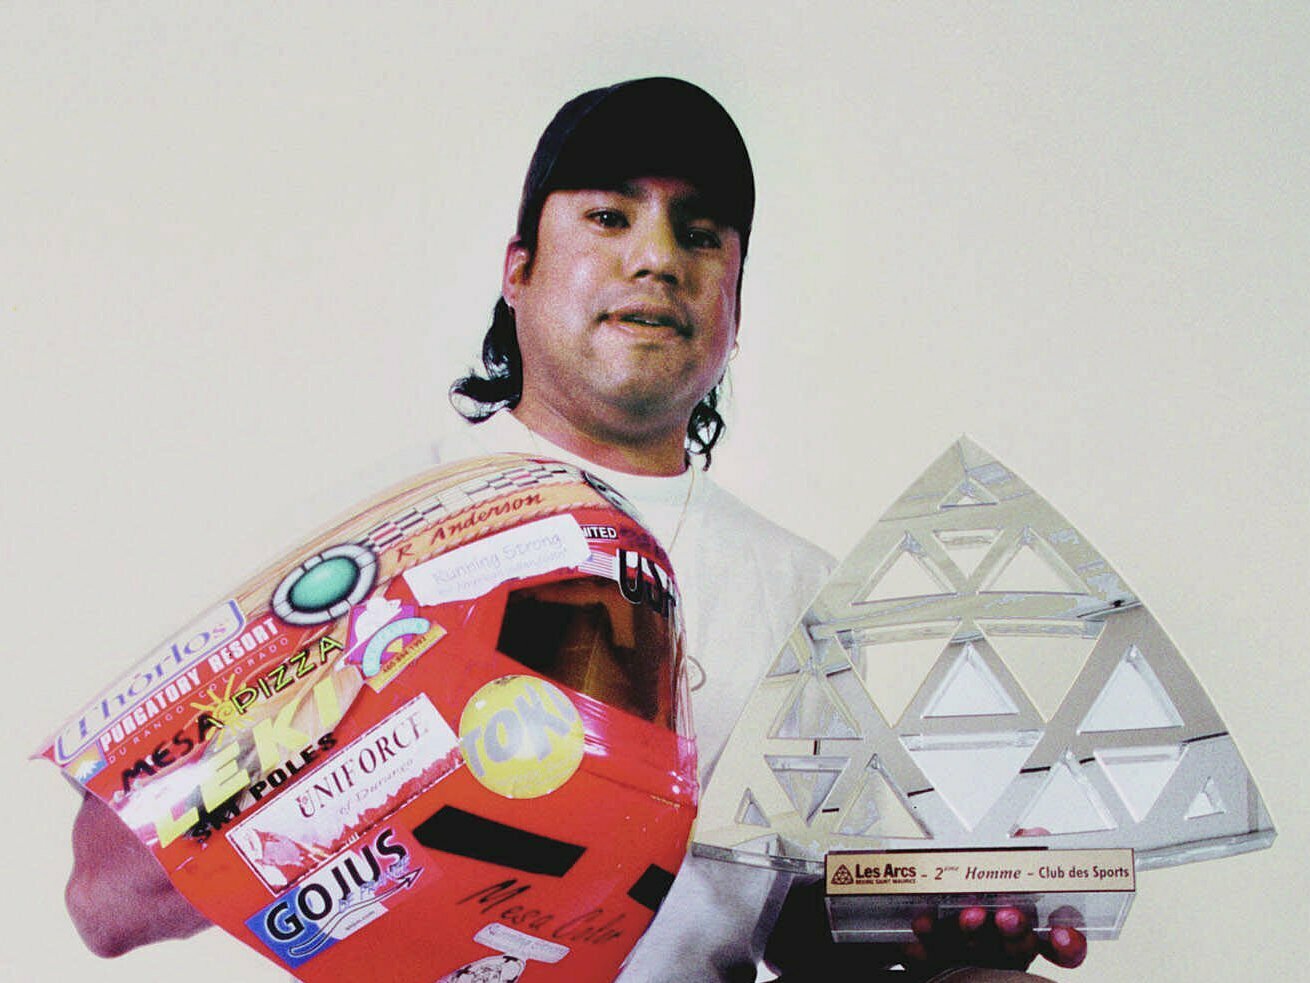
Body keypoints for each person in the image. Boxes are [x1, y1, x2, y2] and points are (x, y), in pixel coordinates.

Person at [64, 77, 1085, 981]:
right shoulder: (379, 531)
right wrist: (377, 750)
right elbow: (106, 900)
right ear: (517, 270)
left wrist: (945, 932)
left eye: (700, 232)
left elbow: (797, 937)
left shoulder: (805, 595)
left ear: (733, 300)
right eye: (607, 215)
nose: (655, 257)